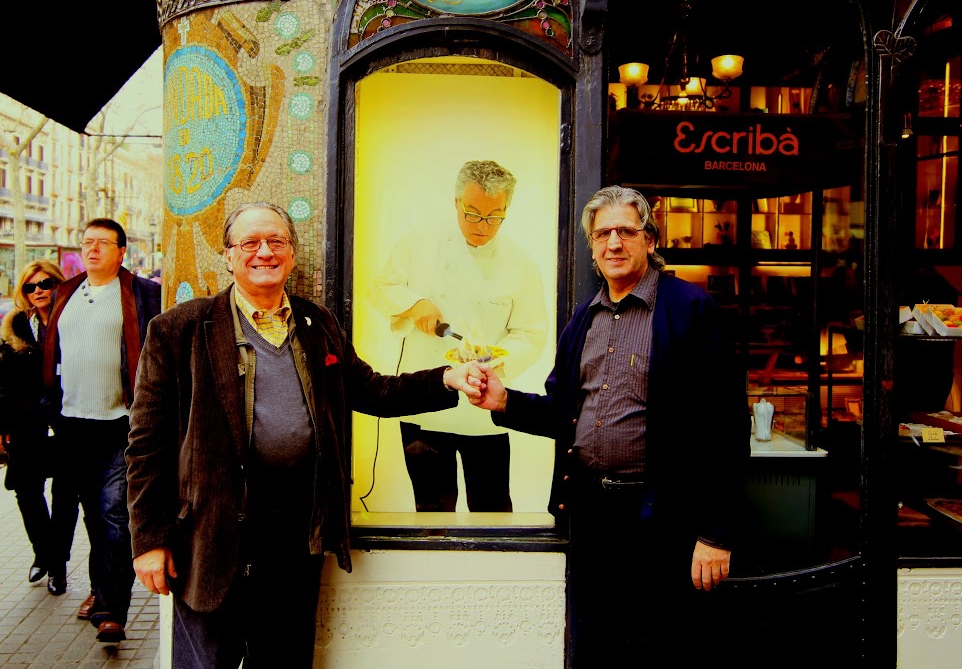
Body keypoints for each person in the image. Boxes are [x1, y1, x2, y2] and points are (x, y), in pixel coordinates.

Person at [125, 201, 486, 669]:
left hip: (295, 539)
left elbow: (373, 390)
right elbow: (146, 446)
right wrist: (149, 540)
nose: (265, 252)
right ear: (229, 256)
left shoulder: (318, 324)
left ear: (292, 254)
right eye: (250, 243)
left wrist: (447, 379)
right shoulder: (179, 329)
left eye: (276, 241)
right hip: (210, 539)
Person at [470, 185, 751, 668]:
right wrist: (505, 402)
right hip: (591, 515)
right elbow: (562, 414)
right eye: (603, 234)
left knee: (662, 650)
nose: (614, 243)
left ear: (649, 239)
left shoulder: (690, 309)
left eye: (626, 231)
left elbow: (726, 427)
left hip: (664, 518)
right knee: (596, 648)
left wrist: (716, 533)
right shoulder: (584, 318)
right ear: (593, 246)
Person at [370, 160, 546, 512]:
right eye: (473, 214)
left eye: (494, 217)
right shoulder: (418, 242)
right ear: (456, 202)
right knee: (432, 512)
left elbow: (530, 333)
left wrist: (496, 359)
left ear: (507, 209)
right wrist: (414, 304)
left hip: (484, 403)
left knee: (493, 507)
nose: (483, 226)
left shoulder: (520, 263)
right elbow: (381, 287)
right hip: (425, 402)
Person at [42, 218, 162, 643]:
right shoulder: (65, 293)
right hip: (71, 423)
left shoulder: (143, 294)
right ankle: (99, 590)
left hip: (119, 423)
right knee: (94, 516)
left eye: (102, 243)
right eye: (87, 242)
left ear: (121, 251)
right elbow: (51, 354)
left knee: (114, 513)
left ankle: (113, 610)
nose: (92, 249)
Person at [0, 260, 65, 586]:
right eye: (30, 286)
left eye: (45, 284)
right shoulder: (15, 328)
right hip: (26, 425)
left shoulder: (72, 320)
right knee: (26, 493)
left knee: (66, 496)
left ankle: (57, 567)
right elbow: (3, 382)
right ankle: (44, 554)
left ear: (58, 284)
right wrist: (2, 427)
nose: (38, 291)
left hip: (68, 421)